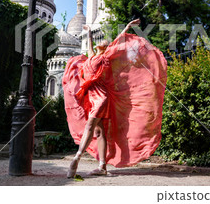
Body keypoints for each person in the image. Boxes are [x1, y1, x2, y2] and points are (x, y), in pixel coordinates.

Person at [63, 19, 167, 178]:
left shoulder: (106, 57)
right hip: (92, 97)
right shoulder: (91, 56)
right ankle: (102, 167)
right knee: (99, 131)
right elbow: (90, 43)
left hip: (101, 97)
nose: (101, 42)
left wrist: (127, 27)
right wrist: (89, 30)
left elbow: (119, 40)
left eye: (103, 42)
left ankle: (77, 158)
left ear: (104, 47)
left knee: (90, 126)